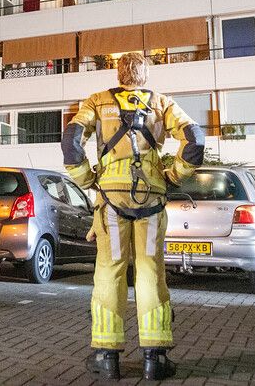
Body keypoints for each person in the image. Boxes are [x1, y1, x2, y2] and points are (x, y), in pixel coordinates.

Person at [61, 52, 204, 380]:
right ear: (145, 76)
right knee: (150, 273)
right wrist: (174, 175)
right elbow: (195, 139)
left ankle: (107, 358)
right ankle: (155, 359)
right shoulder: (163, 103)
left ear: (118, 73)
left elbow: (71, 142)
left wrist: (88, 180)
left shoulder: (97, 102)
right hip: (151, 201)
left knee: (109, 273)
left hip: (111, 202)